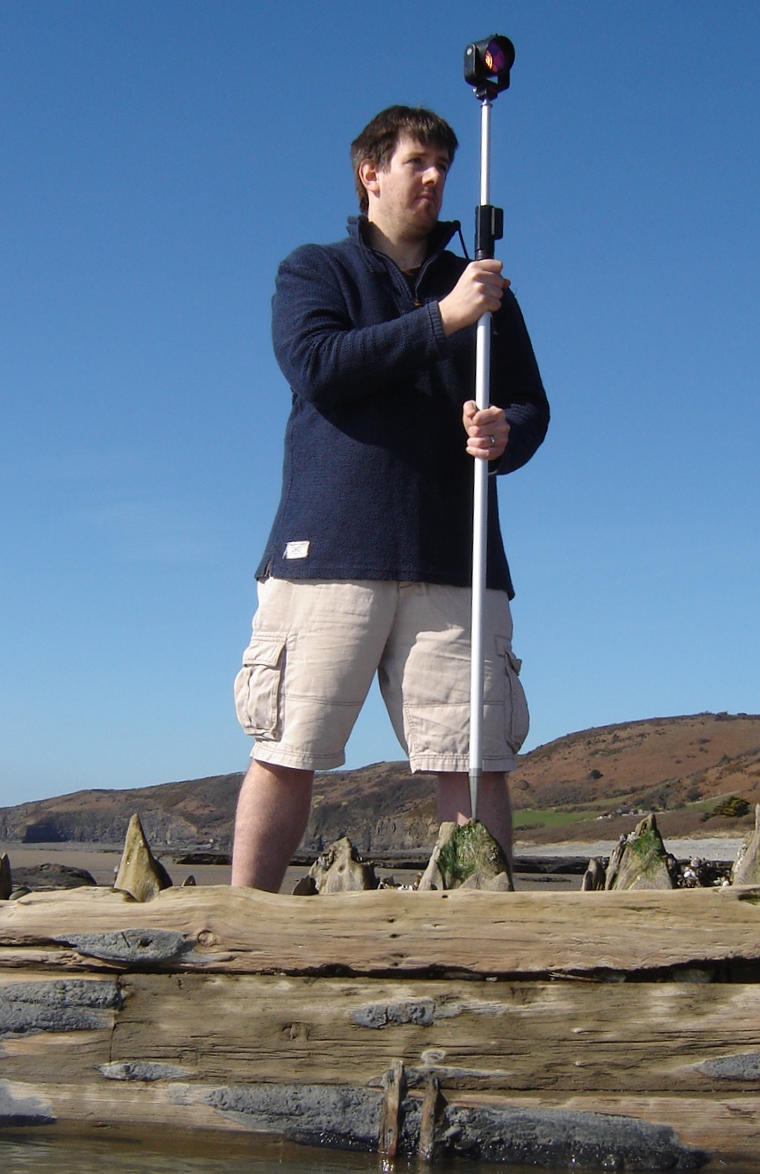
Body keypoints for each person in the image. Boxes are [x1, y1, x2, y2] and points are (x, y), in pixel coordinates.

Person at [231, 105, 549, 891]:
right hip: (326, 558)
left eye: (444, 162)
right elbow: (319, 365)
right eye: (418, 162)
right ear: (370, 172)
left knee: (473, 763)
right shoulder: (315, 271)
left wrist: (505, 432)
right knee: (287, 750)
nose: (436, 177)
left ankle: (487, 945)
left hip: (456, 559)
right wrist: (443, 318)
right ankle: (237, 930)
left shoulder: (481, 289)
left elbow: (530, 402)